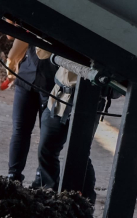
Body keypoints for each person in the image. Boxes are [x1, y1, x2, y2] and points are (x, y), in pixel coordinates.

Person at [31, 63, 105, 202]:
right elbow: (42, 55)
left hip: (88, 100)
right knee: (46, 149)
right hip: (58, 97)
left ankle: (85, 202)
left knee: (79, 154)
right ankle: (49, 195)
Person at [4, 39, 55, 184]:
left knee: (47, 135)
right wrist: (12, 63)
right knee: (20, 130)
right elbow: (20, 40)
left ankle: (42, 178)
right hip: (27, 78)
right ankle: (13, 175)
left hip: (51, 85)